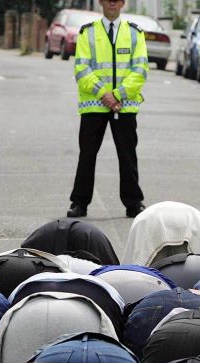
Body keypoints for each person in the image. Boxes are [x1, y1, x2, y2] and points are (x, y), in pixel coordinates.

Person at [67, 0, 148, 219]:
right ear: (101, 2)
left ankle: (133, 203)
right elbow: (82, 69)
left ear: (123, 3)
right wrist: (104, 94)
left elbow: (140, 69)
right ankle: (79, 203)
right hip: (94, 104)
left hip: (124, 104)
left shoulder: (135, 33)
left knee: (127, 155)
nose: (112, 3)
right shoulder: (87, 32)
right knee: (87, 154)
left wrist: (118, 94)